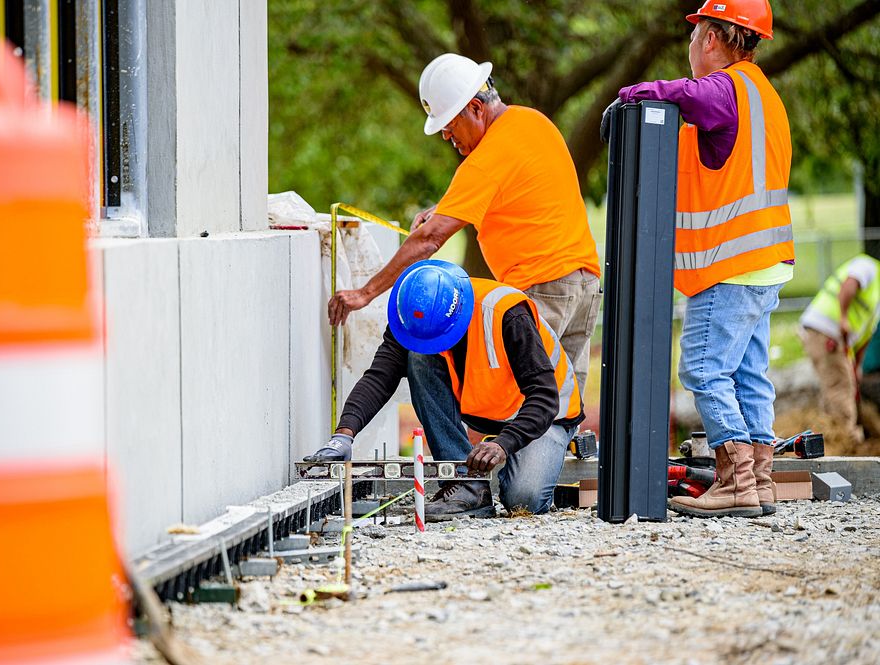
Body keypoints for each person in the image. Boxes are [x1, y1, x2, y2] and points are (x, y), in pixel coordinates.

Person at [328, 53, 601, 397]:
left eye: (449, 124)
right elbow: (515, 185)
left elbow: (429, 240)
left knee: (510, 401)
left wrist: (363, 294)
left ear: (475, 108)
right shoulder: (531, 122)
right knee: (561, 404)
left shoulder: (486, 157)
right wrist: (442, 207)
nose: (445, 136)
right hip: (583, 283)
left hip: (541, 288)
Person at [612, 0, 792, 518]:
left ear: (712, 38)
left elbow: (684, 94)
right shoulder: (765, 95)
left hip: (732, 266)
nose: (690, 47)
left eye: (694, 36)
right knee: (749, 373)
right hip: (767, 261)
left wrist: (631, 95)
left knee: (703, 369)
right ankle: (759, 482)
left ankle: (735, 480)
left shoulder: (725, 90)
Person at [307, 259, 585, 519]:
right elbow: (379, 377)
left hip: (546, 415)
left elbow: (544, 397)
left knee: (523, 500)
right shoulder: (412, 320)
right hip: (487, 410)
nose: (436, 344)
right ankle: (466, 486)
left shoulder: (506, 314)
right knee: (417, 357)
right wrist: (343, 436)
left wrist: (504, 444)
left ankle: (523, 468)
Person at [799, 254, 880, 444]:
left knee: (840, 384)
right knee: (840, 386)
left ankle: (828, 435)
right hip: (826, 329)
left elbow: (866, 334)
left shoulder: (876, 299)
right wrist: (842, 318)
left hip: (833, 336)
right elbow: (849, 285)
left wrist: (857, 365)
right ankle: (846, 441)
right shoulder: (869, 266)